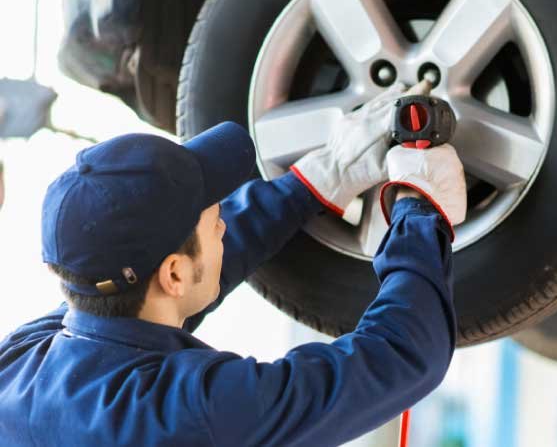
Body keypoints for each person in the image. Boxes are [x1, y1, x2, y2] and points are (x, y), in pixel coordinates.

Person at [0, 82, 467, 446]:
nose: (225, 221)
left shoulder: (20, 362)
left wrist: (314, 182)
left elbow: (164, 288)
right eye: (213, 217)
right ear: (174, 274)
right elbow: (401, 356)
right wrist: (419, 211)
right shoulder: (186, 415)